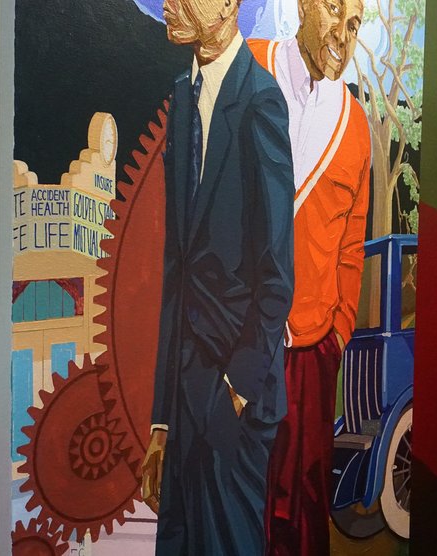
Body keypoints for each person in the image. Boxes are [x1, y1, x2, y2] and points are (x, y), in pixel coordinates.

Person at [139, 0, 295, 553]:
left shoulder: (261, 100)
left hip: (233, 394)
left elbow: (277, 273)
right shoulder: (183, 95)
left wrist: (237, 387)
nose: (169, 5)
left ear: (229, 5)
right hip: (184, 393)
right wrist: (162, 418)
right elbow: (176, 269)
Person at [245, 1, 371, 554]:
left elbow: (352, 242)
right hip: (235, 338)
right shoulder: (247, 66)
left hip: (312, 347)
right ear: (302, 6)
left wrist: (338, 331)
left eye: (354, 23)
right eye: (333, 9)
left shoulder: (355, 123)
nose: (342, 32)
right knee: (236, 494)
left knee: (303, 501)